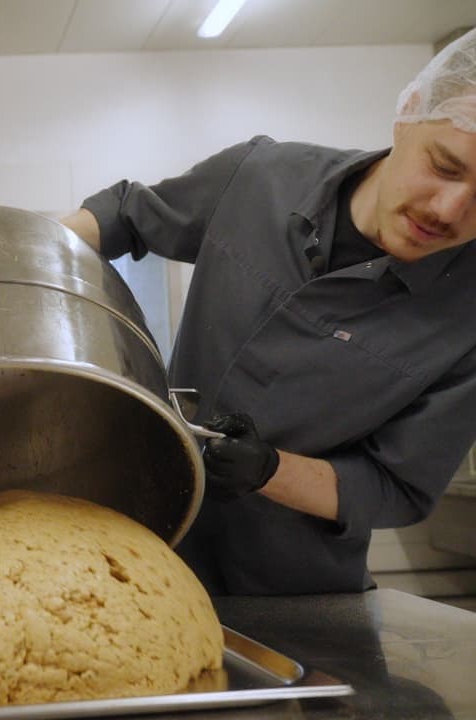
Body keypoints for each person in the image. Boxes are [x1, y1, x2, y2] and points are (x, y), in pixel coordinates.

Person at [61, 28, 476, 595]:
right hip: (153, 554)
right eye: (446, 166)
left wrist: (270, 471)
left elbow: (396, 486)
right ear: (407, 115)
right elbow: (128, 217)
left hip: (297, 593)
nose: (450, 210)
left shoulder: (466, 313)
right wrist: (5, 262)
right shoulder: (263, 179)